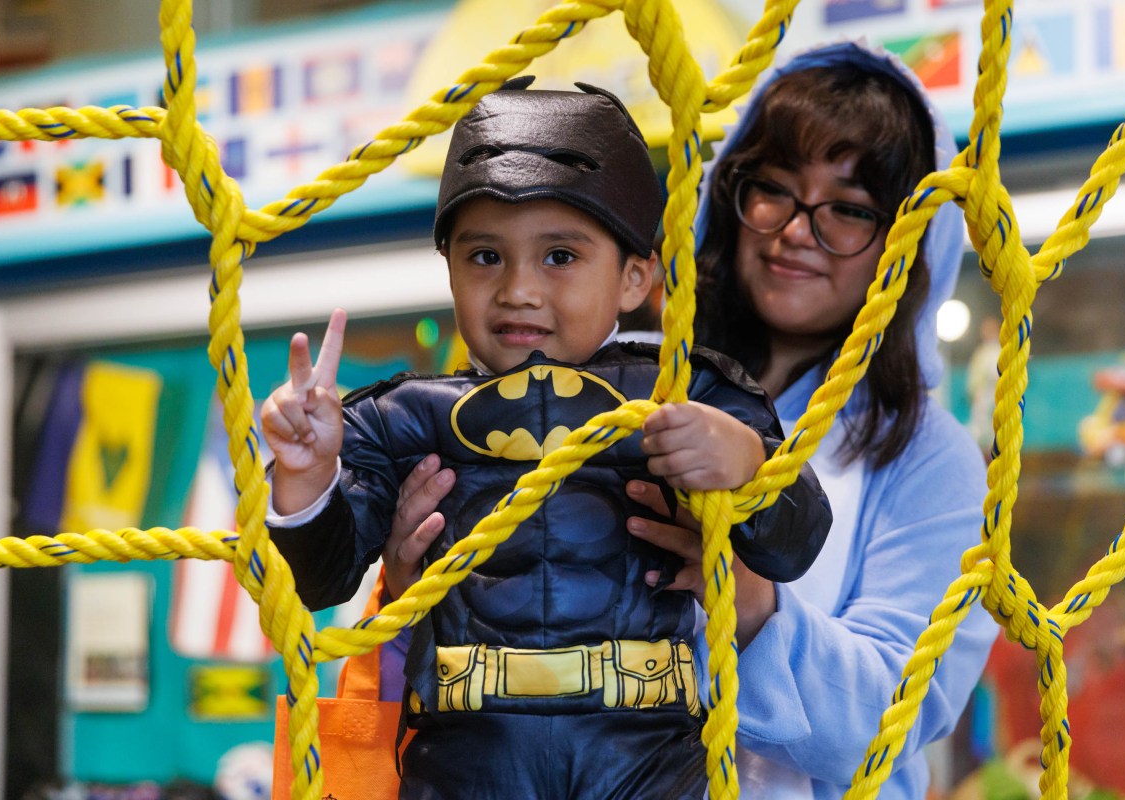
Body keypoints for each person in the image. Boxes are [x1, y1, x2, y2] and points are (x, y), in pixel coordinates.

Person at [390, 41, 1001, 798]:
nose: (796, 231)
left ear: (909, 238)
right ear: (726, 198)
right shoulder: (623, 380)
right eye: (772, 190)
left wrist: (747, 604)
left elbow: (899, 714)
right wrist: (412, 582)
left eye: (848, 209)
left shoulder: (925, 453)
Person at [261, 78, 832, 799]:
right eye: (484, 257)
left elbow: (795, 543)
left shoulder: (686, 395)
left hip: (647, 749)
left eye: (560, 256)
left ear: (635, 277)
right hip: (468, 749)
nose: (518, 289)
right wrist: (306, 480)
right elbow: (320, 579)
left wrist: (747, 466)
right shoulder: (401, 419)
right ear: (448, 269)